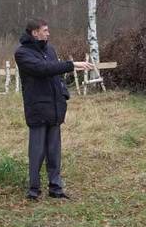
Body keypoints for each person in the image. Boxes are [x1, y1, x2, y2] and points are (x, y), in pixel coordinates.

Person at [14, 19, 92, 200]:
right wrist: (71, 65)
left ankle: (56, 188)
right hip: (38, 110)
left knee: (54, 152)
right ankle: (34, 190)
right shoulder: (22, 53)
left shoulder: (50, 50)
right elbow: (43, 69)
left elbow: (56, 75)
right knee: (37, 152)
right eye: (45, 30)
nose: (48, 33)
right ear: (35, 33)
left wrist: (63, 93)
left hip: (55, 108)